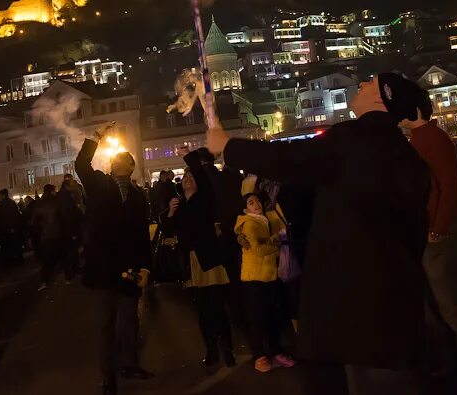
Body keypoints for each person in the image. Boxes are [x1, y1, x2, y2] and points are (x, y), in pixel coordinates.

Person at [208, 72, 430, 395]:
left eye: (370, 83)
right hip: (395, 307)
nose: (362, 84)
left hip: (349, 304)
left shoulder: (350, 140)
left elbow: (289, 159)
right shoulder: (409, 159)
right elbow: (416, 234)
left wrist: (228, 147)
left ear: (383, 98)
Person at [406, 86, 457, 388]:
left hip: (436, 234)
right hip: (428, 231)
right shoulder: (421, 138)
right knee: (438, 304)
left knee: (450, 304)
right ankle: (454, 363)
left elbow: (450, 186)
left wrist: (438, 229)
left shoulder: (431, 139)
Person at [75, 141, 153, 395]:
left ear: (132, 166)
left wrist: (146, 269)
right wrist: (94, 139)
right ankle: (109, 377)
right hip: (104, 270)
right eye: (116, 157)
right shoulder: (98, 183)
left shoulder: (139, 196)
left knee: (129, 321)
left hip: (130, 270)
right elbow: (81, 165)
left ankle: (130, 365)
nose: (119, 159)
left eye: (124, 157)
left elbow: (142, 235)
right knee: (106, 326)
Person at [160, 147, 236, 370]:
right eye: (185, 177)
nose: (189, 179)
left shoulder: (204, 199)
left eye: (192, 176)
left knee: (218, 306)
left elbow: (202, 176)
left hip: (209, 258)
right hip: (191, 262)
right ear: (180, 184)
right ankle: (211, 349)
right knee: (202, 310)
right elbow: (168, 231)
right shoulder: (179, 205)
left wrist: (188, 156)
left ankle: (227, 348)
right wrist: (171, 214)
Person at [235, 191, 296, 373]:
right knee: (258, 318)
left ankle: (274, 351)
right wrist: (276, 243)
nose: (256, 204)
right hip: (255, 277)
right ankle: (260, 355)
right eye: (251, 203)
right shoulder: (251, 223)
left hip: (269, 275)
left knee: (271, 316)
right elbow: (258, 249)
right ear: (246, 210)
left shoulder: (265, 219)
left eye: (257, 201)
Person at [32, 184, 63, 290]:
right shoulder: (57, 202)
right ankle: (59, 278)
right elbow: (62, 217)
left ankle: (45, 281)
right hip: (57, 234)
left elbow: (34, 221)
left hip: (45, 236)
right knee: (59, 257)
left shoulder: (39, 203)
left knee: (46, 260)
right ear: (52, 191)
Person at [0, 189, 24, 264]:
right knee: (15, 244)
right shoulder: (11, 202)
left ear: (3, 196)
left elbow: (3, 218)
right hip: (12, 228)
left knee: (9, 245)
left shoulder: (3, 204)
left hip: (7, 229)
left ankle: (11, 260)